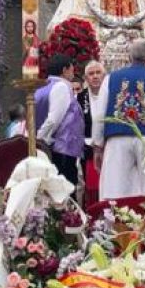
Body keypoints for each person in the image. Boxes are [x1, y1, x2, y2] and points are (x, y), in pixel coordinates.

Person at [93, 39, 145, 200]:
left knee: (115, 190)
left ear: (129, 57)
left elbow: (99, 114)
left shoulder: (111, 78)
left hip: (118, 137)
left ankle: (114, 222)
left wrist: (98, 145)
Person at [35, 53, 85, 188]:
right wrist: (40, 139)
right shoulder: (62, 86)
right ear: (64, 70)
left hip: (50, 146)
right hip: (61, 148)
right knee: (65, 189)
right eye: (71, 69)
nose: (73, 72)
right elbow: (54, 119)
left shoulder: (42, 87)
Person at [78, 60, 106, 210]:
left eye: (98, 73)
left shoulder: (111, 96)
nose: (95, 76)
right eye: (91, 74)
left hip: (108, 149)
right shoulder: (79, 98)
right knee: (91, 189)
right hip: (87, 151)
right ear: (86, 78)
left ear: (104, 75)